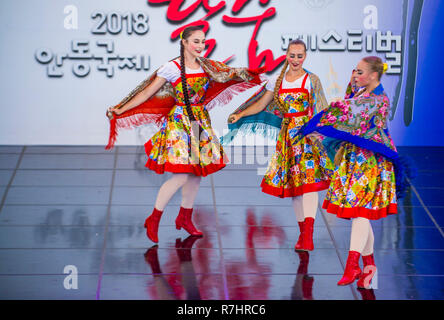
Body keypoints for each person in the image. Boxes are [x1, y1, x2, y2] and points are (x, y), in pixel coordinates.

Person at [106, 25, 265, 243]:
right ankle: (154, 218)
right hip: (180, 124)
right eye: (196, 41)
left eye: (203, 41)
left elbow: (229, 74)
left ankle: (184, 217)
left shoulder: (207, 66)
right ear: (184, 42)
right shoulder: (171, 68)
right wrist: (122, 109)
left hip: (199, 123)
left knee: (196, 173)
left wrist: (251, 75)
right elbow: (146, 92)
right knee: (181, 173)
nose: (201, 46)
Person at [294, 56, 407, 287]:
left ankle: (352, 264)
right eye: (355, 70)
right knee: (359, 214)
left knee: (362, 213)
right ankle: (369, 265)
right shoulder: (361, 94)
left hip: (372, 163)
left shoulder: (379, 100)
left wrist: (322, 118)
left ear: (374, 75)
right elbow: (349, 104)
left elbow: (350, 112)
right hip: (354, 160)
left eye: (360, 72)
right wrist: (350, 89)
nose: (355, 75)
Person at [227, 40, 333, 251]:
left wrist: (324, 132)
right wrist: (240, 113)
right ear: (286, 55)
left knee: (310, 183)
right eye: (292, 55)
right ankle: (303, 232)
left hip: (307, 135)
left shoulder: (311, 80)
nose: (295, 60)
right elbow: (261, 104)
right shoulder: (277, 80)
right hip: (287, 138)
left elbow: (322, 109)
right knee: (294, 188)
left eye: (299, 56)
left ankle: (309, 233)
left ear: (305, 56)